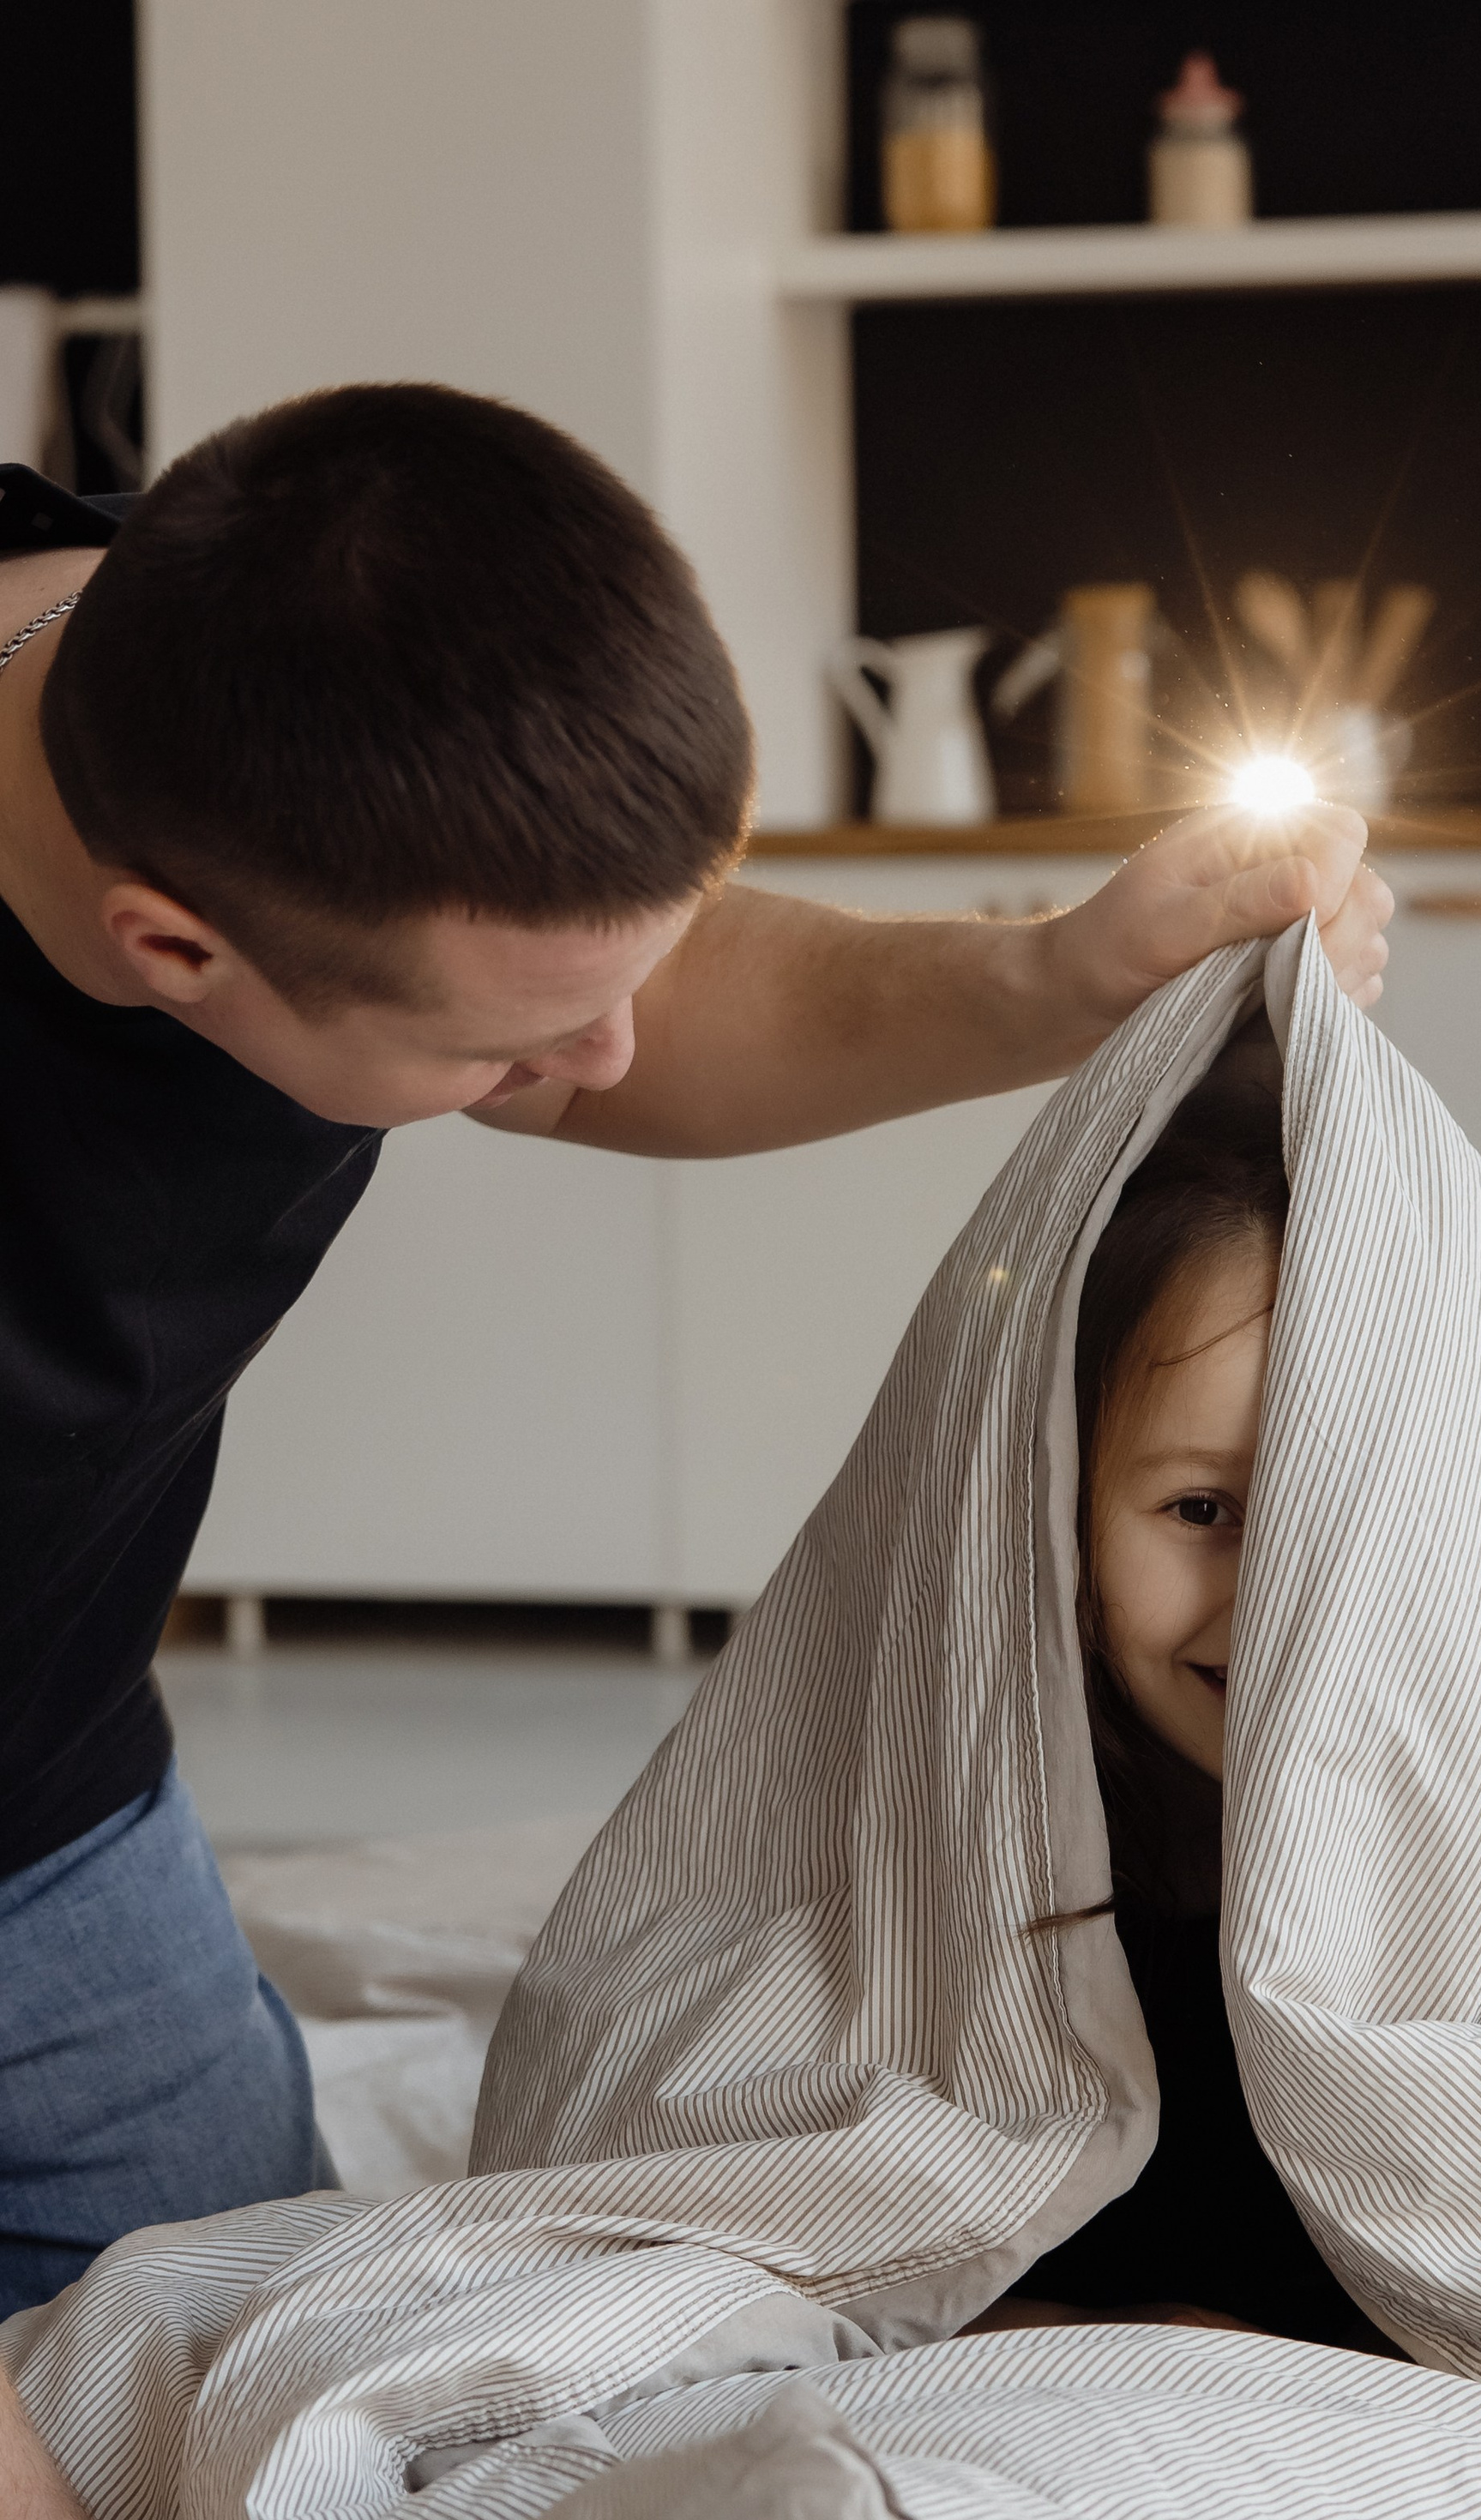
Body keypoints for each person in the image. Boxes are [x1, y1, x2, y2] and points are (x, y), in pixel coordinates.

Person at [0, 378, 1391, 2320]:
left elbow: (607, 1005)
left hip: (49, 1795)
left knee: (232, 2407)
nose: (601, 1064)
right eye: (501, 1050)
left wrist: (1050, 976)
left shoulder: (264, 654)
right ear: (170, 953)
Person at [968, 1019, 1393, 2354]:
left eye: (1340, 1511)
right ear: (1060, 1506)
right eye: (1202, 1506)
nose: (1276, 1595)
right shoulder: (985, 1887)